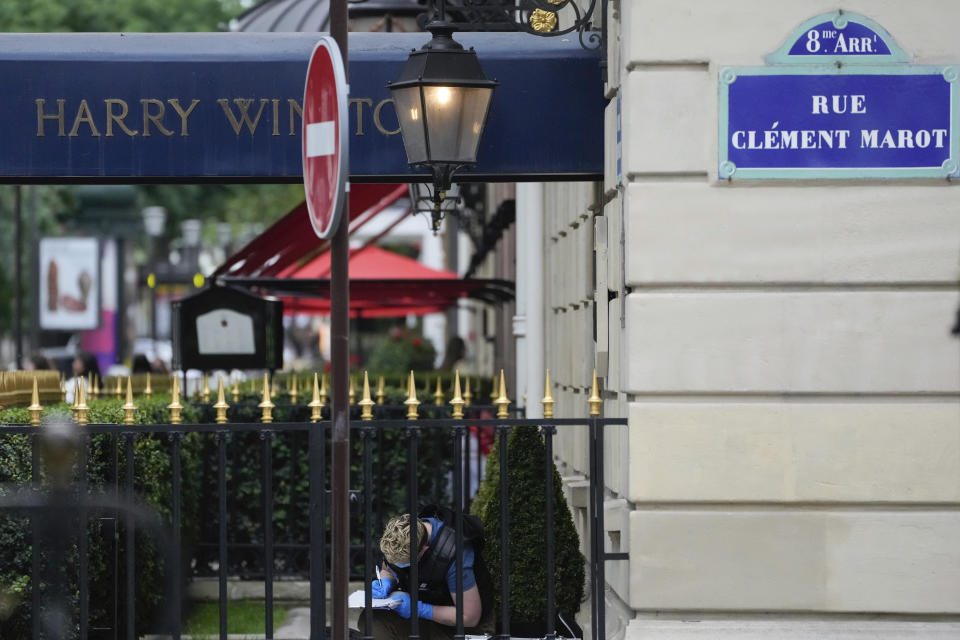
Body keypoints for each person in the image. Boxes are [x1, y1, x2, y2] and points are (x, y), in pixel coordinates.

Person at [368, 505, 494, 640]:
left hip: (463, 627)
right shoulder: (401, 538)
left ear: (424, 549)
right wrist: (385, 579)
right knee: (371, 622)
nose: (397, 565)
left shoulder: (455, 553)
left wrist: (420, 609)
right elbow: (387, 567)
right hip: (422, 617)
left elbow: (469, 617)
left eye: (403, 563)